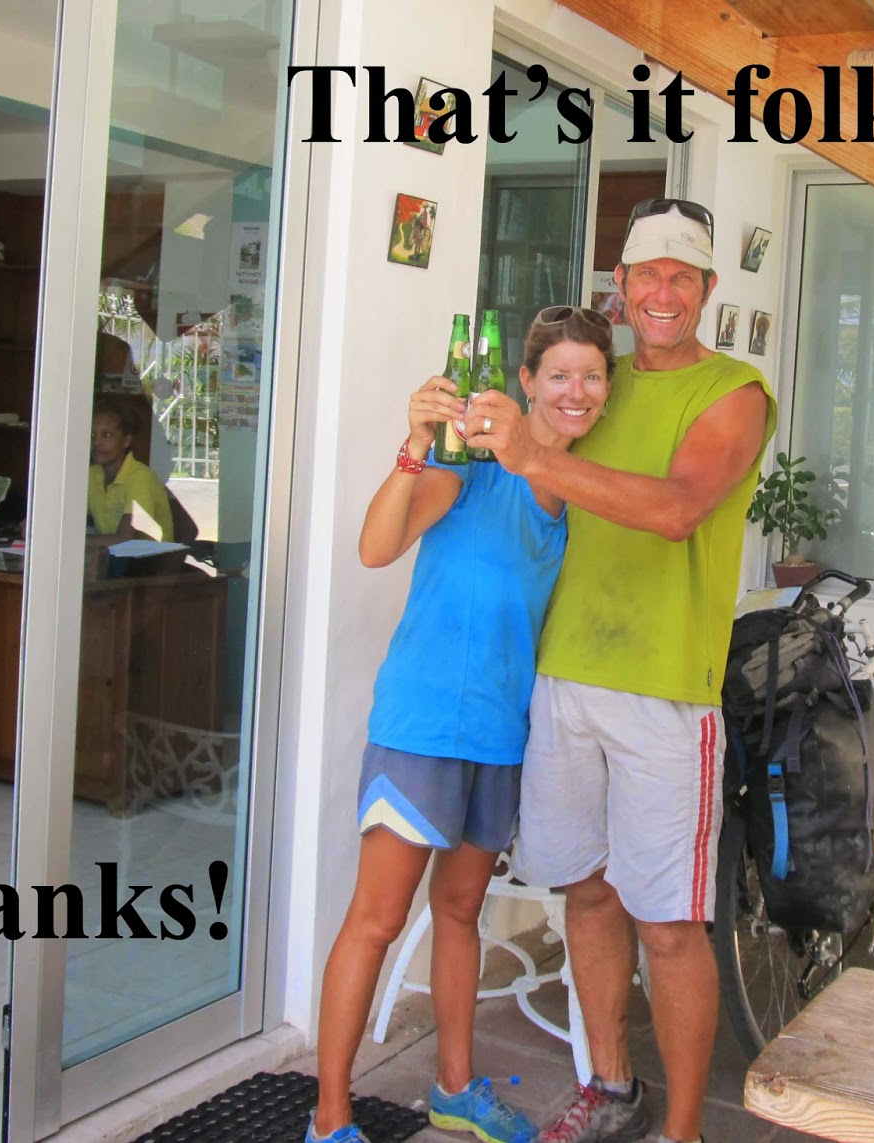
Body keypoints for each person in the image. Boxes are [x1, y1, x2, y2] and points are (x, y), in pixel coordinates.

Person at [467, 199, 776, 1143]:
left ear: (708, 288)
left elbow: (678, 508)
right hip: (565, 673)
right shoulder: (594, 380)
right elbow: (519, 474)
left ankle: (682, 1131)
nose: (664, 292)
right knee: (586, 892)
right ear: (622, 285)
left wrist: (535, 453)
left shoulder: (735, 390)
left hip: (667, 692)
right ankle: (609, 1087)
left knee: (670, 923)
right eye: (649, 274)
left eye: (683, 275)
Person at [306, 308, 617, 1143]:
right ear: (526, 382)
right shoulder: (469, 464)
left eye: (591, 375)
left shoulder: (586, 488)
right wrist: (415, 442)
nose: (576, 391)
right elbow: (377, 547)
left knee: (459, 910)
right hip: (424, 724)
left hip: (502, 734)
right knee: (377, 918)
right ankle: (329, 1119)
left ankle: (454, 1087)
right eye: (559, 374)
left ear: (607, 389)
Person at [88, 398, 175, 540]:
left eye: (106, 435)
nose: (97, 443)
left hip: (147, 555)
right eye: (93, 435)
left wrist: (78, 542)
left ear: (126, 441)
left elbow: (125, 539)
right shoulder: (93, 474)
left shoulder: (140, 477)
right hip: (111, 553)